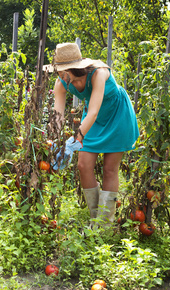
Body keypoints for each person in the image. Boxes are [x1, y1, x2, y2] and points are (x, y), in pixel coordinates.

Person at [45, 43, 139, 228]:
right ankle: (95, 218)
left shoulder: (98, 73)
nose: (58, 75)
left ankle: (103, 225)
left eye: (61, 70)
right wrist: (55, 141)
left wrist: (76, 139)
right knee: (83, 165)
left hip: (117, 114)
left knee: (110, 169)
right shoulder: (61, 83)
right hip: (94, 120)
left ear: (73, 68)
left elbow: (94, 111)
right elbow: (58, 115)